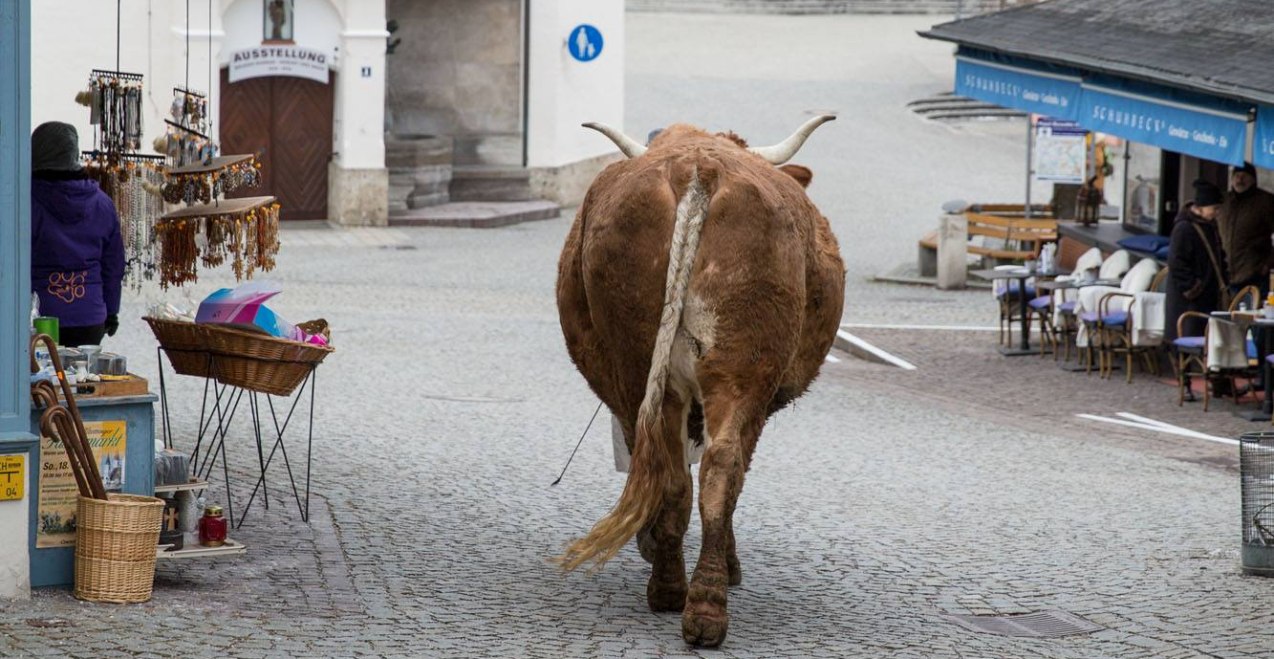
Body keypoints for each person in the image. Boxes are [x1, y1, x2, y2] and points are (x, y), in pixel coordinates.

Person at [30, 121, 124, 346]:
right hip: (89, 318)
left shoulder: (26, 202)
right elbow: (113, 266)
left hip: (39, 318)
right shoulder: (102, 203)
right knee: (83, 379)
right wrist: (111, 311)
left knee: (39, 381)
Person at [1166, 180, 1228, 346]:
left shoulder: (1209, 225)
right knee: (1189, 339)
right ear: (1201, 207)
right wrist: (1193, 287)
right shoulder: (1184, 228)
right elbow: (1177, 263)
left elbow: (1218, 255)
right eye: (1214, 208)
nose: (1216, 212)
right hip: (1190, 301)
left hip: (1206, 295)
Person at [1217, 161, 1274, 296]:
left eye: (1244, 176)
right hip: (1225, 273)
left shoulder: (1266, 202)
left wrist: (1268, 264)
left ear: (1253, 179)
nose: (1239, 179)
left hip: (1253, 274)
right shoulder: (1224, 200)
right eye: (1236, 175)